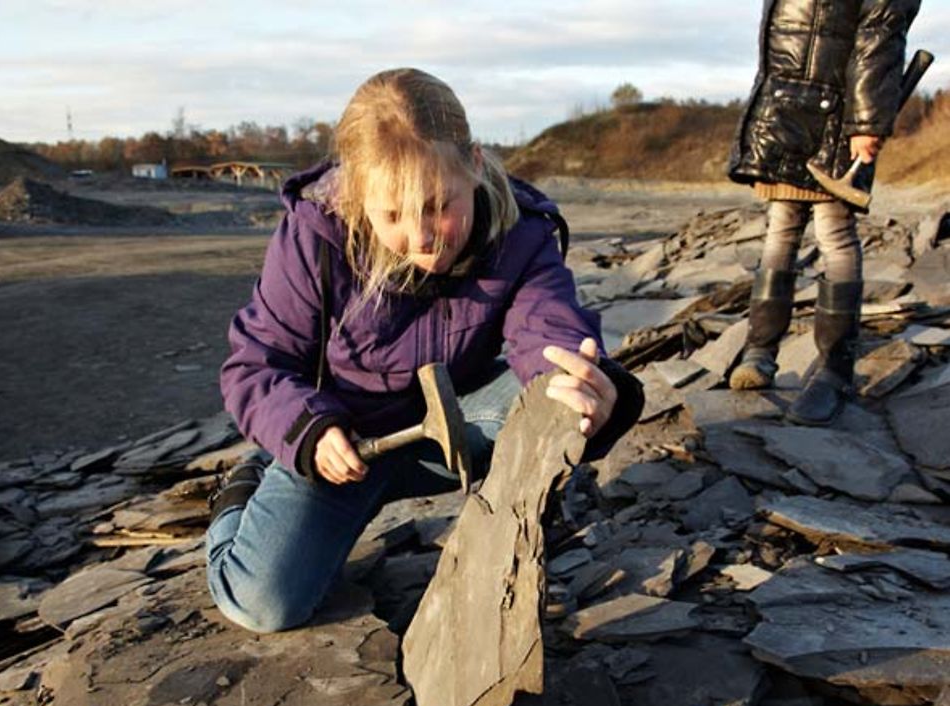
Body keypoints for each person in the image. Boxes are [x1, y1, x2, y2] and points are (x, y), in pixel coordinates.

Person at [207, 68, 644, 633]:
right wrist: (304, 432)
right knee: (263, 604)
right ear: (359, 193)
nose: (421, 238)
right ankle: (245, 491)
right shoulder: (316, 235)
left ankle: (515, 568)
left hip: (451, 431)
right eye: (391, 216)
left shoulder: (521, 234)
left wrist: (587, 390)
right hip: (343, 444)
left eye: (439, 205)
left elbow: (548, 335)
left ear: (476, 165)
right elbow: (254, 364)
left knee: (556, 398)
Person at [727, 0, 920, 425]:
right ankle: (759, 351)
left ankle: (834, 371)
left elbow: (879, 38)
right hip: (784, 113)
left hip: (837, 119)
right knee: (780, 229)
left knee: (835, 234)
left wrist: (867, 122)